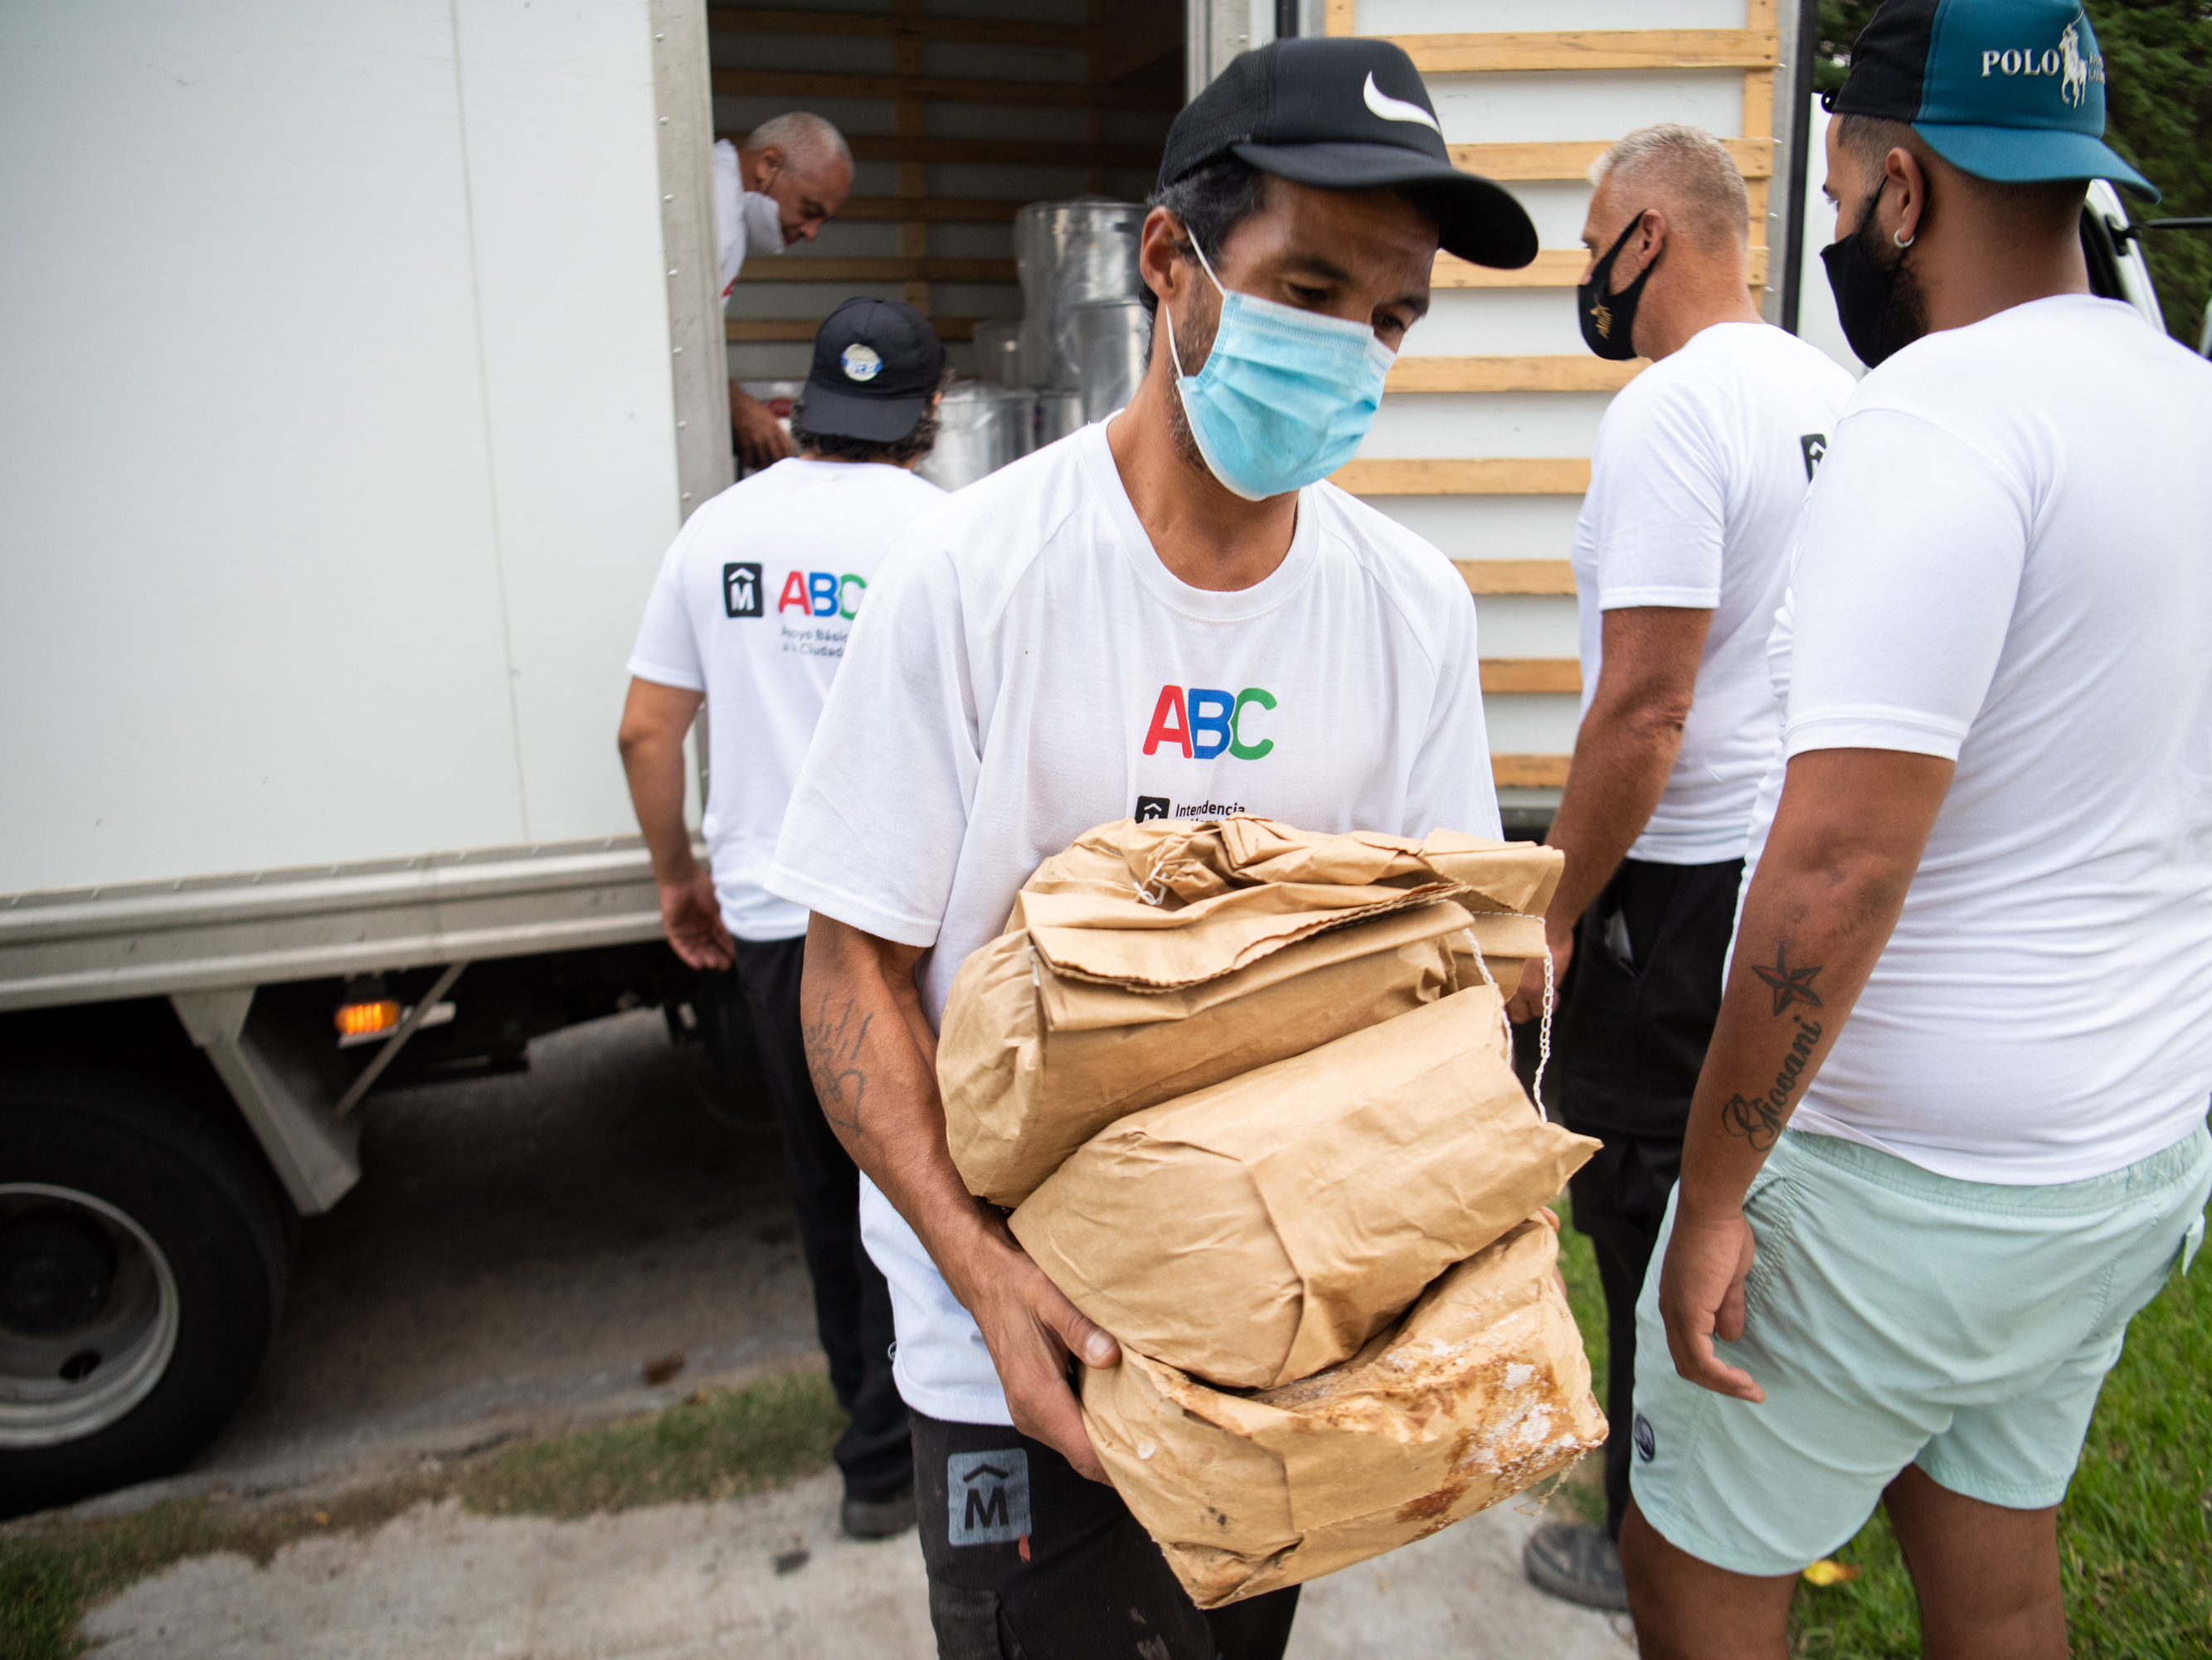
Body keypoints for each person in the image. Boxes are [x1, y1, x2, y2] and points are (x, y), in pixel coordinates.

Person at [760, 37, 1538, 1658]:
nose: (1355, 353)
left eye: (1392, 319)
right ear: (1169, 258)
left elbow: (1449, 978)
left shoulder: (1409, 610)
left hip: (1267, 1345)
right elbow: (850, 979)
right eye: (1312, 289)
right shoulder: (972, 579)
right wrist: (981, 1272)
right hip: (1016, 1356)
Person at [1621, 2, 2212, 1654]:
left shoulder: (1934, 419)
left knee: (1691, 1569)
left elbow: (1841, 861)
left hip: (1892, 1183)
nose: (1846, 233)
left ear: (1907, 189)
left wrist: (1715, 1192)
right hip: (2125, 1149)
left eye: (1849, 196)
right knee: (1999, 1583)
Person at [1501, 123, 1855, 1614]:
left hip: (1680, 887)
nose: (1589, 273)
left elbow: (1646, 707)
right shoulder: (1837, 398)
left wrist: (1559, 907)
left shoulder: (1671, 412)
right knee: (1759, 1195)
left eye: (1594, 241)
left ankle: (1662, 1538)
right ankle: (1787, 1496)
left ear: (1650, 232)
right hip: (1796, 874)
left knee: (1648, 1215)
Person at [617, 298, 947, 1540]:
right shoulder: (945, 530)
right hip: (908, 923)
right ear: (927, 411)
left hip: (770, 924)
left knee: (826, 1191)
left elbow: (646, 729)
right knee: (930, 1186)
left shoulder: (715, 535)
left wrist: (677, 879)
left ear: (806, 401)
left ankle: (869, 1461)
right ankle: (933, 1441)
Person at [716, 113, 857, 470]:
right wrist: (734, 404)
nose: (812, 233)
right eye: (810, 210)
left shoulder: (728, 206)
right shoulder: (711, 205)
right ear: (769, 164)